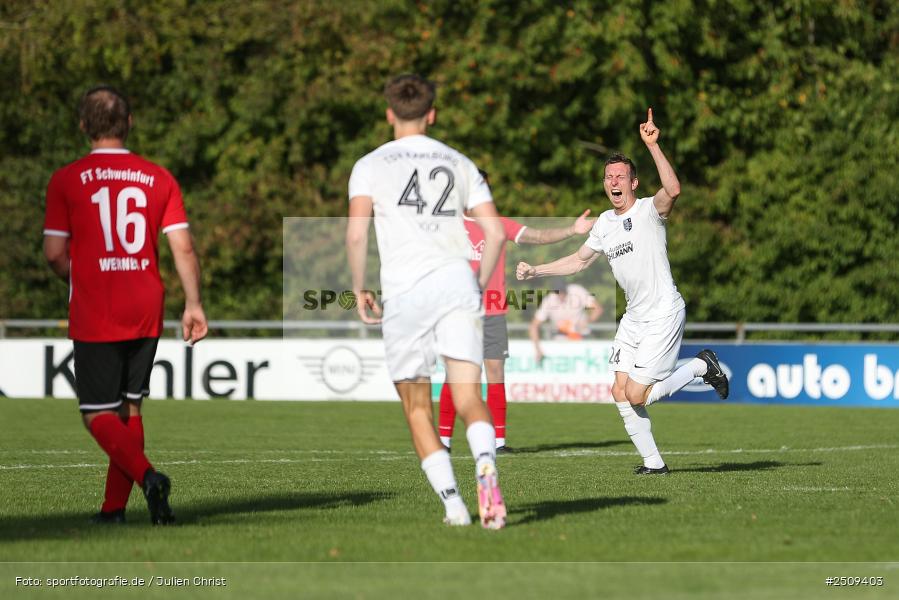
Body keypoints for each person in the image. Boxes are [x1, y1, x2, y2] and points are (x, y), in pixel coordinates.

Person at [516, 108, 728, 474]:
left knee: (636, 394)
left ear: (634, 183)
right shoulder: (603, 223)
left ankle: (699, 365)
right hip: (634, 317)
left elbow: (674, 190)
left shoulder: (649, 211)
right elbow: (579, 261)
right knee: (618, 391)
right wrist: (537, 269)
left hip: (663, 311)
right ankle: (654, 464)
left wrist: (653, 145)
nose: (613, 181)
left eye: (620, 176)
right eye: (608, 177)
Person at [346, 74, 507, 528]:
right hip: (456, 282)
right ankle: (485, 463)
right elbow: (493, 232)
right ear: (432, 114)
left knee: (417, 407)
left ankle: (455, 506)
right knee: (468, 395)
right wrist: (474, 279)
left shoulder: (369, 164)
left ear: (389, 113)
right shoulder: (460, 161)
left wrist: (360, 287)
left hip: (404, 291)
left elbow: (357, 232)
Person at [43, 86, 208, 524]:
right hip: (145, 302)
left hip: (98, 305)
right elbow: (184, 248)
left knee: (96, 414)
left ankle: (149, 477)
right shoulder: (159, 178)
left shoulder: (65, 179)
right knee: (129, 408)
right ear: (129, 123)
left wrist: (76, 277)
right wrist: (194, 303)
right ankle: (113, 510)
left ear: (83, 126)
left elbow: (54, 253)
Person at [438, 187, 597, 452]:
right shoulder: (449, 227)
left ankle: (499, 443)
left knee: (496, 374)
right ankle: (443, 441)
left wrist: (571, 230)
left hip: (493, 313)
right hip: (459, 314)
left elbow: (538, 235)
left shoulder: (499, 226)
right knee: (455, 376)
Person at [528, 277, 603, 365]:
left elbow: (598, 309)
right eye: (558, 292)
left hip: (581, 338)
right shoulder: (548, 300)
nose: (561, 295)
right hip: (560, 343)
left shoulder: (577, 291)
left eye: (563, 291)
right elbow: (534, 326)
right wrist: (538, 349)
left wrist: (586, 321)